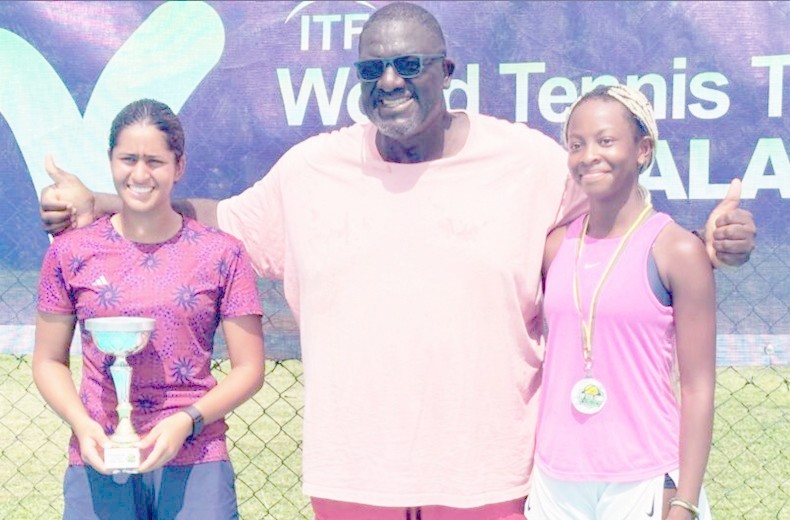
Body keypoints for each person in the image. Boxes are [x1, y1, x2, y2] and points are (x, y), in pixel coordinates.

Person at [38, 3, 754, 519]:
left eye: (408, 64)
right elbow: (215, 220)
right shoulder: (312, 169)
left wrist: (704, 242)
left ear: (446, 71)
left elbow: (615, 242)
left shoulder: (530, 162)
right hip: (353, 476)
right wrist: (98, 201)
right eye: (372, 68)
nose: (389, 80)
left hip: (489, 478)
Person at [33, 99, 265, 520]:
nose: (140, 175)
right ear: (110, 160)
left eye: (155, 161)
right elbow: (48, 360)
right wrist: (83, 426)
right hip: (99, 455)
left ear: (179, 166)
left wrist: (187, 421)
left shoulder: (223, 253)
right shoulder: (70, 252)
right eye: (128, 159)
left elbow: (249, 369)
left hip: (196, 456)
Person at [528, 85, 714, 519]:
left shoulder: (676, 250)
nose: (588, 155)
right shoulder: (555, 247)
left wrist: (685, 500)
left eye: (605, 140)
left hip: (642, 476)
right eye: (576, 144)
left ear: (643, 150)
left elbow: (698, 387)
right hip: (557, 479)